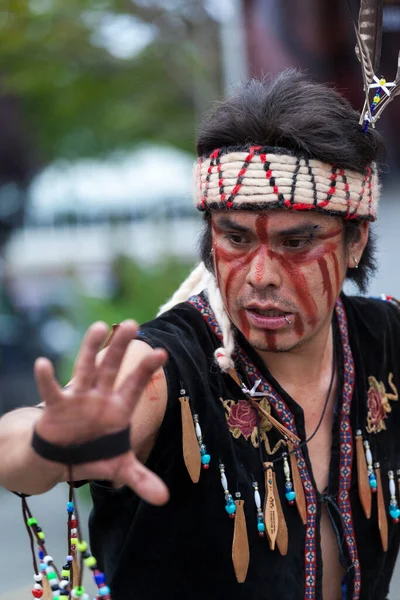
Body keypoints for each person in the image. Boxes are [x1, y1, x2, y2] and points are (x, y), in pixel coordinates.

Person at [1, 68, 400, 600]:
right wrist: (51, 441)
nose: (260, 276)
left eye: (296, 242)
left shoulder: (384, 337)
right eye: (234, 238)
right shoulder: (165, 366)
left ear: (355, 241)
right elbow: (14, 449)